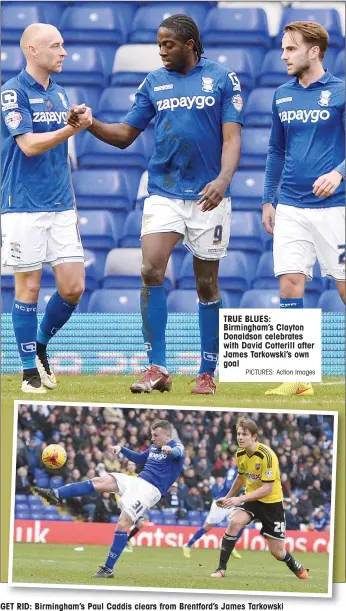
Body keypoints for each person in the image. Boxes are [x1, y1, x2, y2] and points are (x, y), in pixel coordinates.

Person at [68, 14, 243, 395]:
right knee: (150, 269)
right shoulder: (153, 83)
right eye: (159, 44)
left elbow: (232, 138)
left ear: (190, 46)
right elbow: (125, 136)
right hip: (164, 191)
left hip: (208, 196)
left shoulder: (223, 78)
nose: (162, 51)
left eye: (169, 44)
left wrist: (223, 180)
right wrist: (91, 123)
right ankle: (158, 366)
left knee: (206, 283)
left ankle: (207, 371)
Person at [1, 23, 91, 393]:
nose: (64, 52)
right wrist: (72, 129)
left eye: (64, 45)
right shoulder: (12, 93)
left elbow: (57, 150)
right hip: (23, 205)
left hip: (60, 204)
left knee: (73, 287)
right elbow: (29, 145)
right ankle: (28, 373)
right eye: (56, 46)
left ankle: (39, 345)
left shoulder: (60, 92)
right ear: (32, 51)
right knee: (29, 286)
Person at [261, 21, 345, 397]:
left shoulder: (342, 92)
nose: (283, 55)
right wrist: (268, 198)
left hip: (334, 208)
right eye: (282, 48)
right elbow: (276, 151)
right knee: (290, 283)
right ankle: (297, 378)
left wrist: (339, 173)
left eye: (290, 49)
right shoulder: (281, 95)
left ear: (314, 52)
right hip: (291, 205)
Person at [34, 420, 185, 577]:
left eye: (156, 435)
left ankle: (108, 568)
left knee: (122, 524)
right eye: (152, 435)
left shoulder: (177, 447)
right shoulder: (154, 447)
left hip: (151, 490)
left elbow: (178, 453)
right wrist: (122, 449)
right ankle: (55, 494)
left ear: (167, 435)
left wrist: (170, 450)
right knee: (98, 481)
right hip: (137, 481)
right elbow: (140, 458)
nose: (152, 439)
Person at [211, 417, 308, 579]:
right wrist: (228, 498)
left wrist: (239, 499)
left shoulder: (267, 456)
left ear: (254, 436)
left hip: (271, 503)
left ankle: (296, 566)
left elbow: (267, 489)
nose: (240, 437)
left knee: (277, 552)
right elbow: (241, 478)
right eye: (239, 434)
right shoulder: (240, 453)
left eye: (244, 434)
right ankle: (221, 569)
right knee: (234, 522)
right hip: (252, 500)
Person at [183, 467, 242, 560]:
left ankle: (231, 546)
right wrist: (242, 489)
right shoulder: (233, 470)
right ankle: (188, 545)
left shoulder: (248, 470)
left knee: (240, 523)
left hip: (233, 502)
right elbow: (229, 484)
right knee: (207, 527)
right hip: (222, 501)